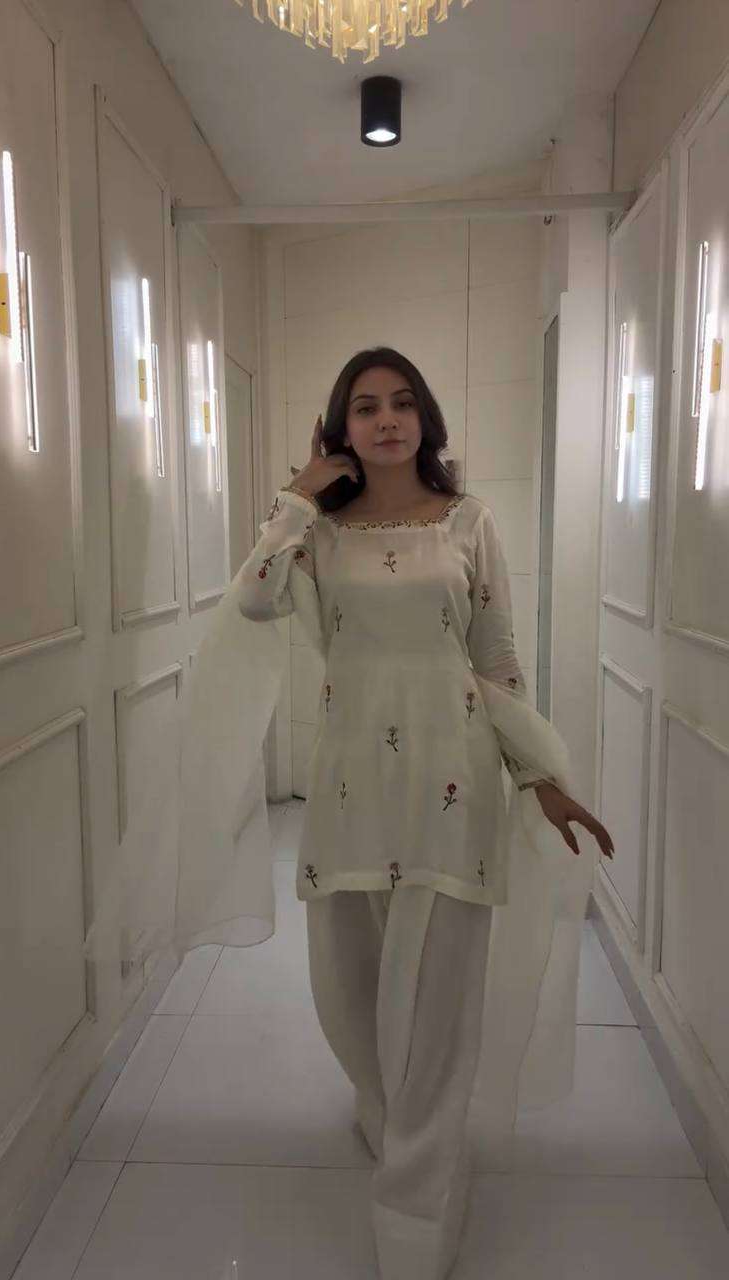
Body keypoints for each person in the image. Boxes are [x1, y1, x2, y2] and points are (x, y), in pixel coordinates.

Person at [230, 347, 614, 1280]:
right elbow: (253, 600)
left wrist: (538, 774)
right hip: (351, 786)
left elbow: (497, 659)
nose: (387, 419)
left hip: (455, 780)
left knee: (441, 1004)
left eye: (402, 403)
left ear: (426, 419)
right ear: (341, 429)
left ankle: (414, 1210)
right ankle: (389, 1114)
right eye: (365, 407)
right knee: (350, 988)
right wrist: (299, 495)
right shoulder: (317, 534)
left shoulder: (468, 522)